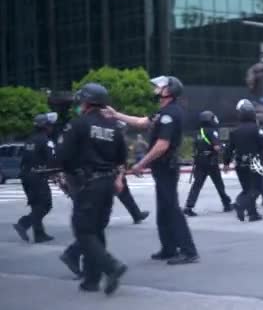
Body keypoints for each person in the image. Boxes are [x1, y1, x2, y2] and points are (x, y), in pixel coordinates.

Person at [104, 75, 199, 265]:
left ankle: (188, 251)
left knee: (171, 208)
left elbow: (162, 145)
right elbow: (141, 122)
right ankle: (169, 248)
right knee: (164, 209)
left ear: (169, 91)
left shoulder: (170, 114)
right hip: (161, 168)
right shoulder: (162, 112)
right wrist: (116, 115)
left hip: (166, 167)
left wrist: (141, 163)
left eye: (161, 86)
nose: (156, 89)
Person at [56, 83, 128, 294]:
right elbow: (122, 158)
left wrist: (65, 173)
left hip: (88, 184)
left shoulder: (78, 124)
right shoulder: (114, 128)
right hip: (108, 184)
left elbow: (63, 155)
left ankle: (111, 266)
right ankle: (92, 279)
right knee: (96, 230)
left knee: (84, 230)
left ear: (86, 102)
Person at [223, 99, 263, 222]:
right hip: (254, 162)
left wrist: (226, 163)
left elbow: (229, 149)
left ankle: (253, 213)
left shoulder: (235, 132)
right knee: (257, 188)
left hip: (240, 163)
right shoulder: (256, 129)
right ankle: (240, 204)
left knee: (247, 189)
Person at [13, 112, 58, 243]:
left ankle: (39, 234)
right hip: (37, 176)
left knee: (36, 205)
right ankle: (24, 223)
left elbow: (26, 159)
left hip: (26, 176)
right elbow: (52, 160)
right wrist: (57, 174)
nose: (52, 128)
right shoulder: (46, 141)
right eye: (50, 125)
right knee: (46, 205)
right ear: (46, 127)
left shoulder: (30, 140)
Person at [184, 111, 233, 216]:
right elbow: (216, 147)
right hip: (210, 161)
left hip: (199, 161)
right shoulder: (211, 131)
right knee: (219, 184)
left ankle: (189, 206)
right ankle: (227, 204)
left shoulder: (198, 132)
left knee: (197, 185)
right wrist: (224, 147)